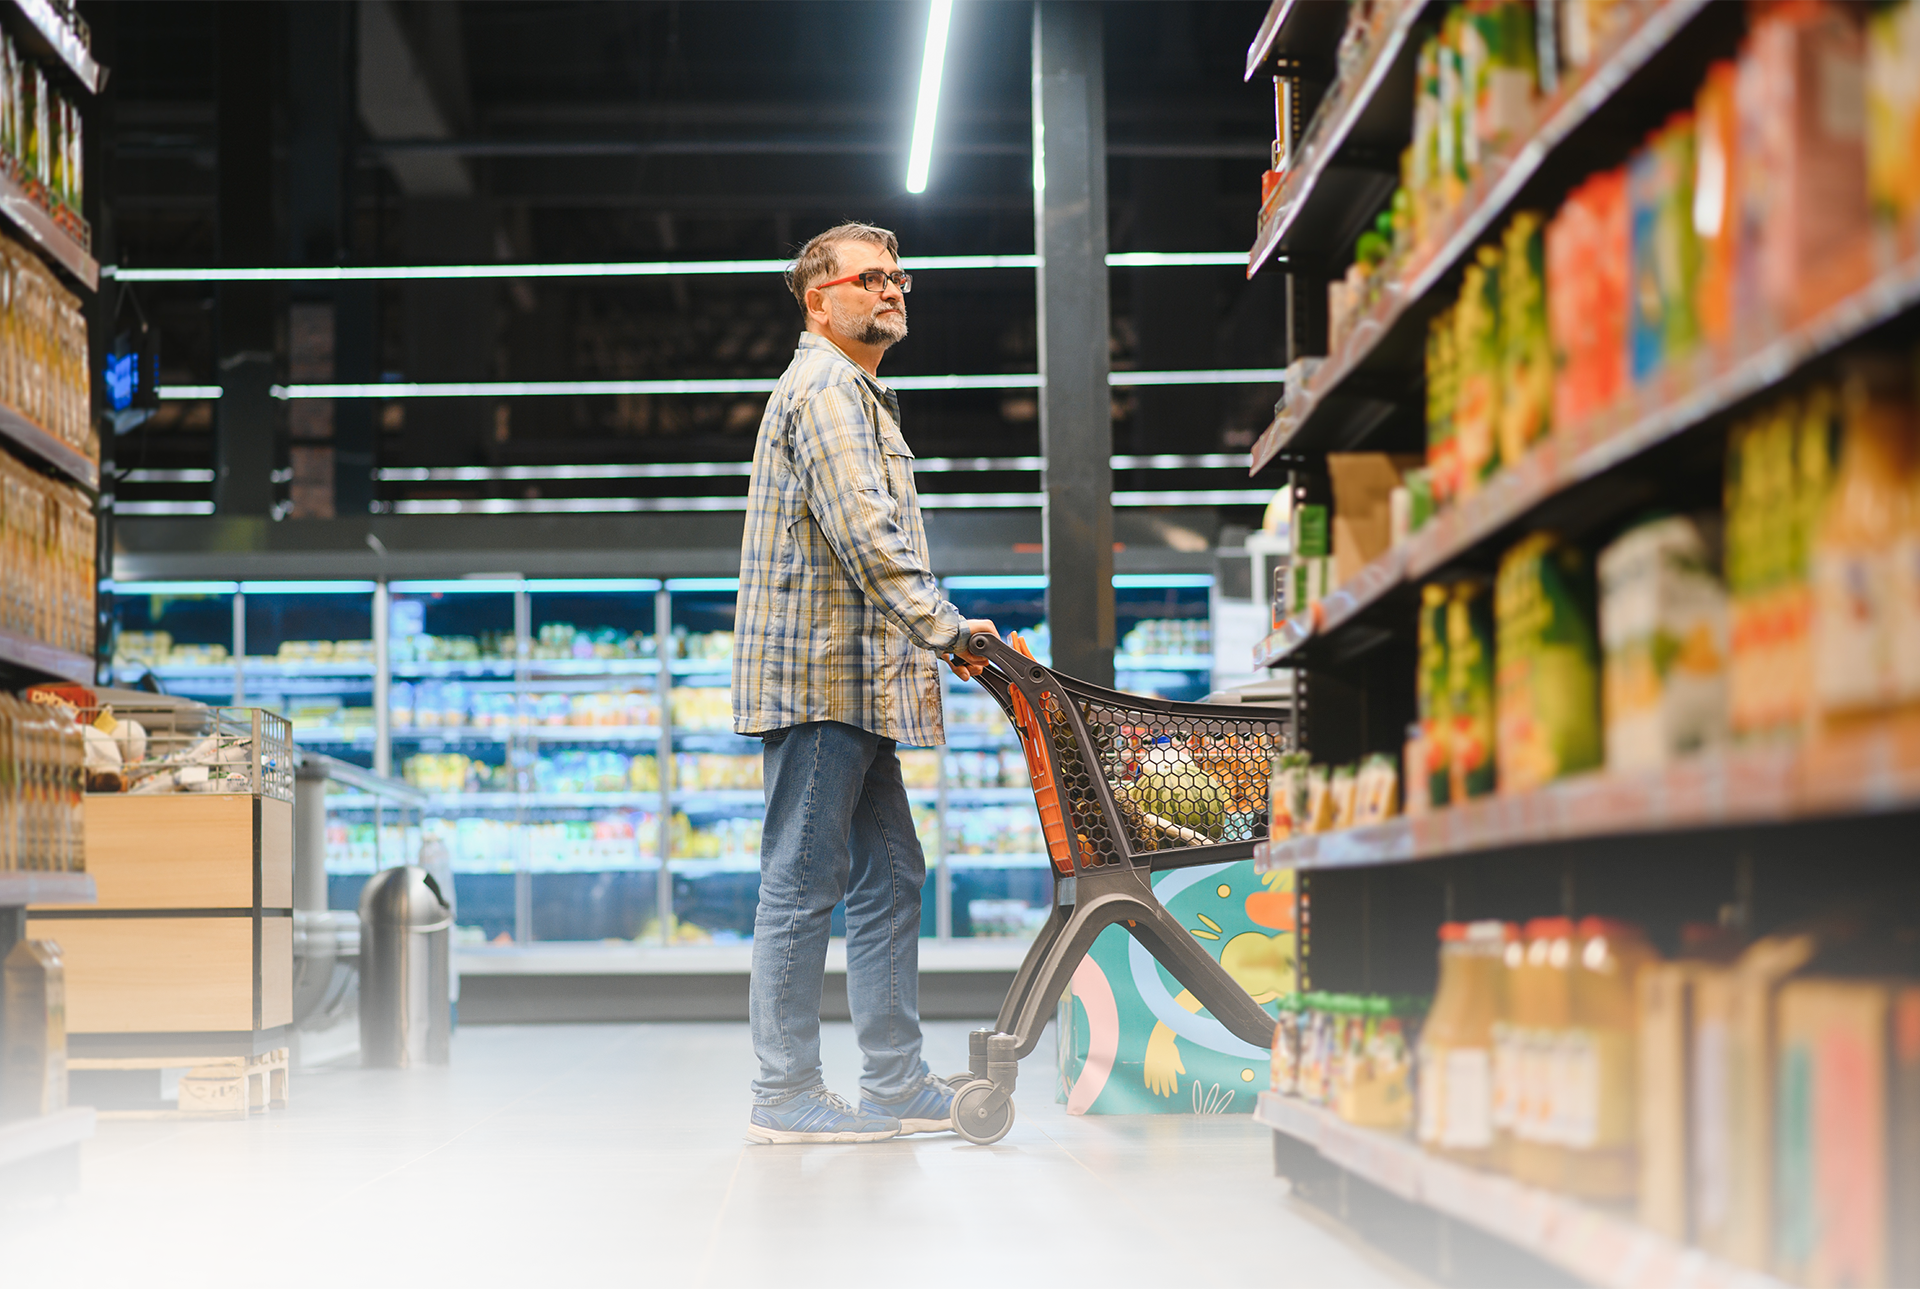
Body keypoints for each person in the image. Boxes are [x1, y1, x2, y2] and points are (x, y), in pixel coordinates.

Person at [732, 222, 996, 1144]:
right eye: (870, 278)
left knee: (890, 874)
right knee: (804, 881)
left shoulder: (860, 393)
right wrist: (949, 630)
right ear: (819, 299)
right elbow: (866, 537)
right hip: (819, 682)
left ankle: (891, 1079)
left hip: (859, 685)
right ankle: (784, 1090)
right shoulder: (825, 391)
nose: (893, 291)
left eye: (899, 278)